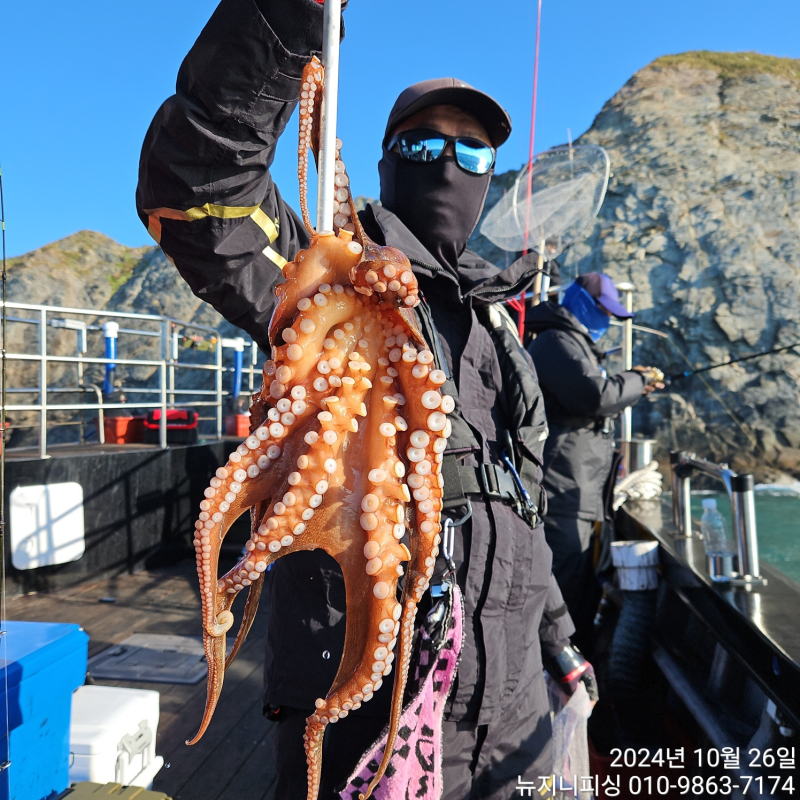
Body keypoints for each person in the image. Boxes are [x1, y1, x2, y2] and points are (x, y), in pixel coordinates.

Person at [136, 1, 595, 796]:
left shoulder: (500, 327)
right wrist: (287, 18)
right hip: (376, 712)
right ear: (387, 163)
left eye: (474, 154)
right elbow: (200, 189)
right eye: (423, 144)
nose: (448, 164)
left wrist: (560, 641)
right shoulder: (331, 269)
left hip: (516, 710)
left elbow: (515, 505)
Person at [527, 273, 662, 655]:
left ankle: (573, 686)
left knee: (580, 597)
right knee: (563, 600)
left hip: (578, 493)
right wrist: (636, 379)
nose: (607, 320)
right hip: (560, 495)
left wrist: (634, 384)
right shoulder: (556, 342)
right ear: (582, 302)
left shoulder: (573, 344)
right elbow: (594, 396)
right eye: (603, 310)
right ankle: (554, 685)